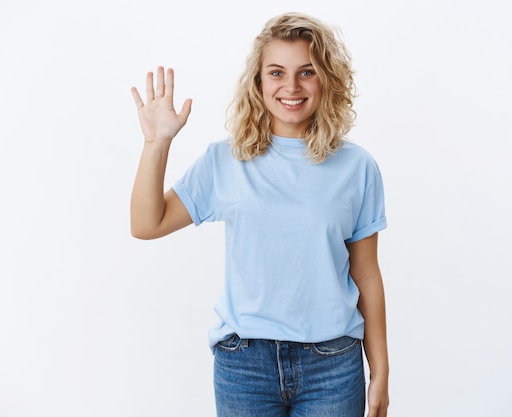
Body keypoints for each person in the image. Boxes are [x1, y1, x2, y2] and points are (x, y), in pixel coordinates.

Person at [130, 12, 389, 417]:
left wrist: (381, 376)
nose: (291, 86)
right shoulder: (225, 160)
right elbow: (147, 224)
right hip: (244, 365)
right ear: (258, 82)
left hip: (333, 365)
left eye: (307, 71)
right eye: (276, 72)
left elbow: (367, 274)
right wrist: (155, 143)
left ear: (327, 79)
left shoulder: (357, 168)